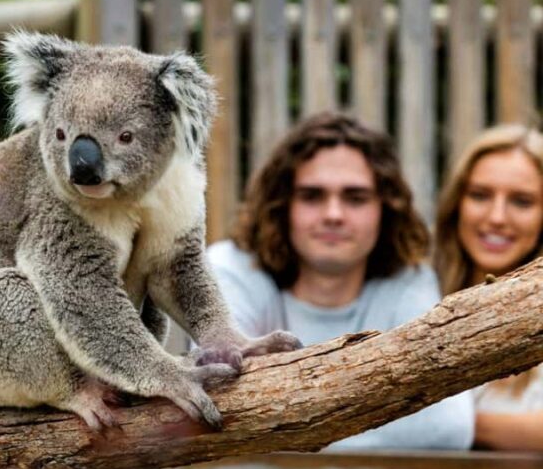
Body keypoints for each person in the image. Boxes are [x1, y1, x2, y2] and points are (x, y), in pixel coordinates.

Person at [208, 112, 474, 449]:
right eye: (312, 196)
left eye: (355, 198)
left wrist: (281, 431)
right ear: (283, 204)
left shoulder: (408, 282)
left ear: (385, 208)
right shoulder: (233, 268)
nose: (333, 214)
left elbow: (447, 428)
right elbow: (222, 405)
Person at [434, 123, 543, 451]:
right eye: (480, 195)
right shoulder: (416, 293)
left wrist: (436, 423)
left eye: (521, 202)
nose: (497, 217)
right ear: (457, 204)